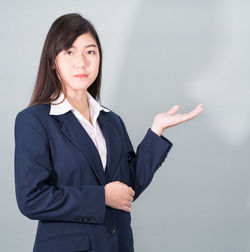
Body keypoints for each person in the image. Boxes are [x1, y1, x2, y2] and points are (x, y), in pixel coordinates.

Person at [14, 13, 203, 252]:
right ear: (53, 61)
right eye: (69, 52)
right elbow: (32, 199)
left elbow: (126, 189)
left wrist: (156, 130)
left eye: (90, 52)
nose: (81, 62)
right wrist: (101, 197)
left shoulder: (111, 120)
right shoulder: (34, 120)